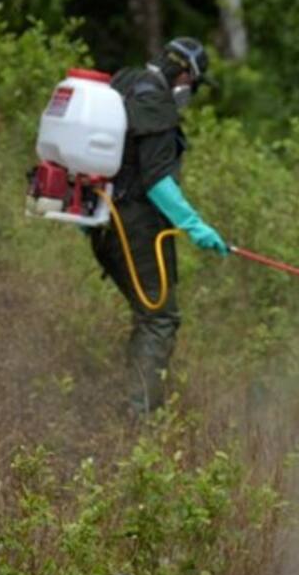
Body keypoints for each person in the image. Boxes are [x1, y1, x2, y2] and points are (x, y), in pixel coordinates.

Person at [90, 37, 229, 416]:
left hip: (104, 219)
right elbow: (156, 181)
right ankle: (141, 419)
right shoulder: (156, 104)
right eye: (194, 85)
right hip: (131, 224)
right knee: (159, 317)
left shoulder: (126, 81)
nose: (191, 93)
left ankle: (137, 406)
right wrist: (196, 226)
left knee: (148, 314)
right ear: (185, 74)